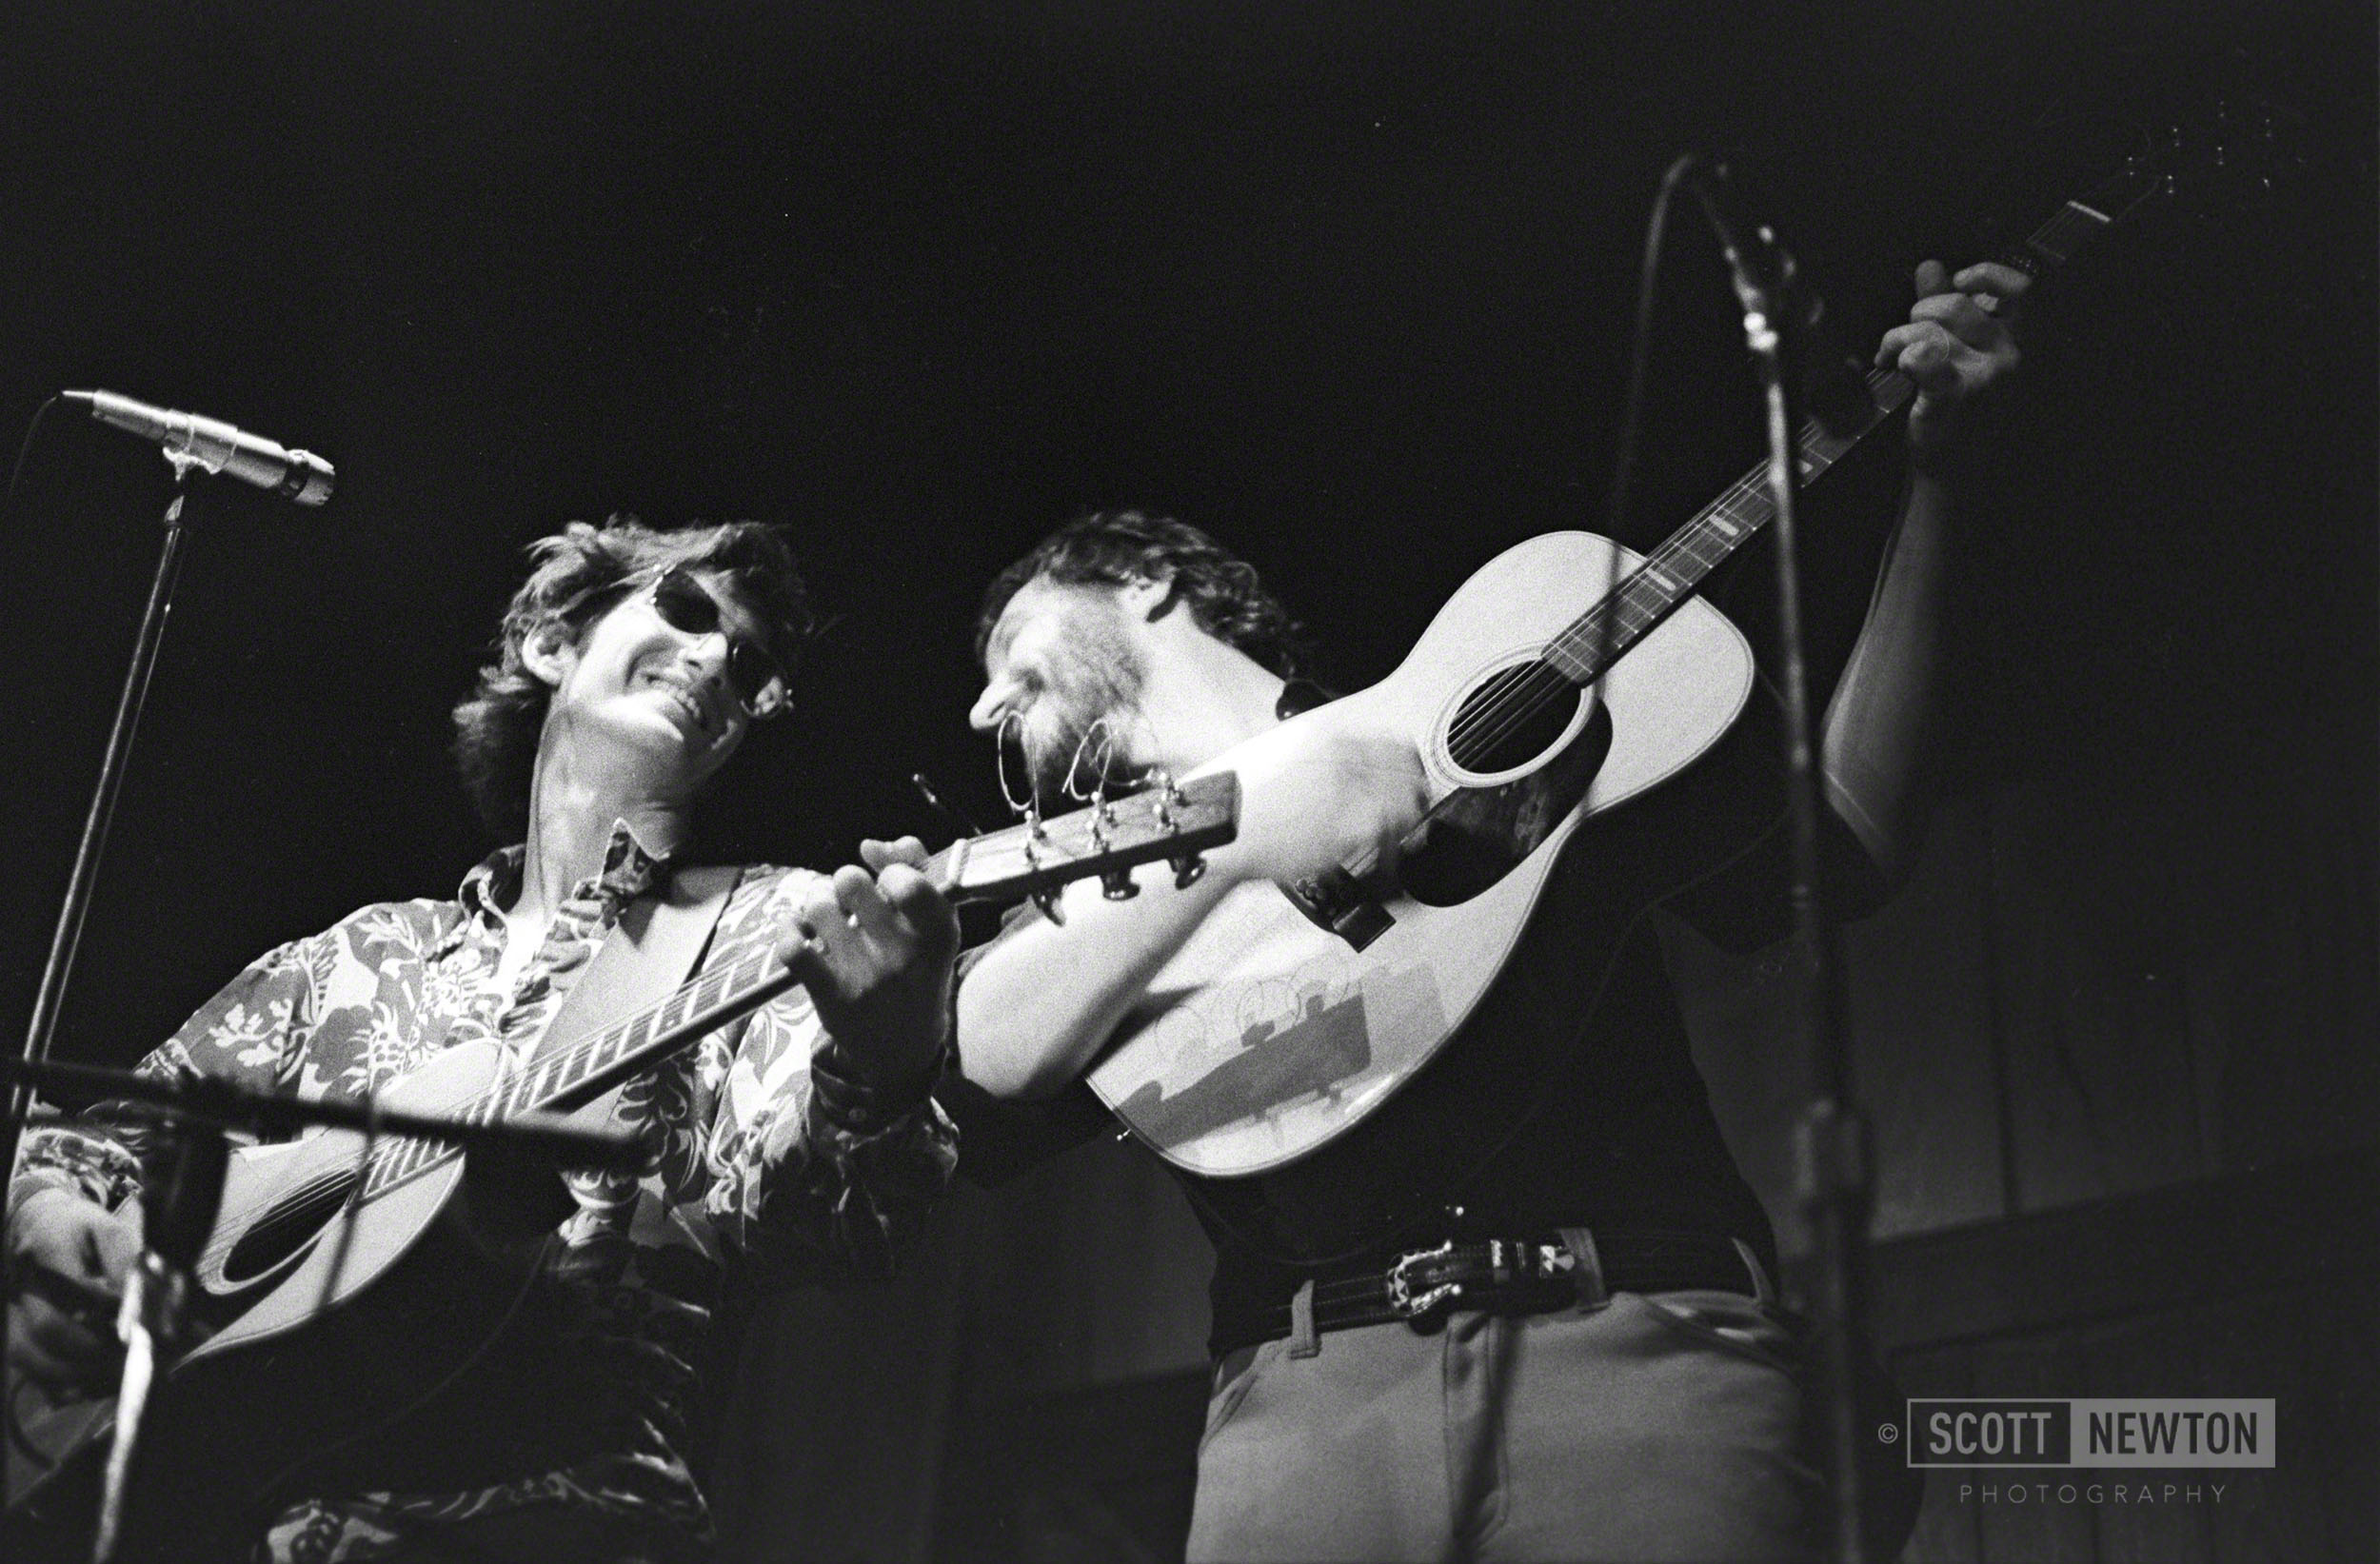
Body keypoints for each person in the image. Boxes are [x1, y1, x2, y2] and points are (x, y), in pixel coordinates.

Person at [947, 260, 2027, 1561]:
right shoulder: (1089, 894)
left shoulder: (1500, 701)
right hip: (1302, 1418)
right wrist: (1240, 845)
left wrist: (1943, 480)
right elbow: (980, 1078)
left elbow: (1843, 843)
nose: (984, 708)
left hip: (1645, 1360)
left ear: (1145, 586)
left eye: (1016, 651)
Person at [6, 517, 962, 1563]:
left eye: (749, 666)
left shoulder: (767, 930)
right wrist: (45, 1213)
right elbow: (105, 1133)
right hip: (218, 1519)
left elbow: (838, 1219)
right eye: (684, 610)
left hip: (557, 1525)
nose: (713, 662)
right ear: (553, 640)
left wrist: (889, 1060)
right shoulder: (357, 956)